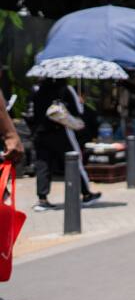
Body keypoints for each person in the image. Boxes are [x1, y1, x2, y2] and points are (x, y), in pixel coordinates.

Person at [29, 79, 100, 211]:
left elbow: (31, 112)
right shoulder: (66, 88)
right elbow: (79, 110)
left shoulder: (37, 89)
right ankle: (86, 194)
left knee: (43, 165)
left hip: (40, 133)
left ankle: (42, 200)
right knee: (75, 161)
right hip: (61, 133)